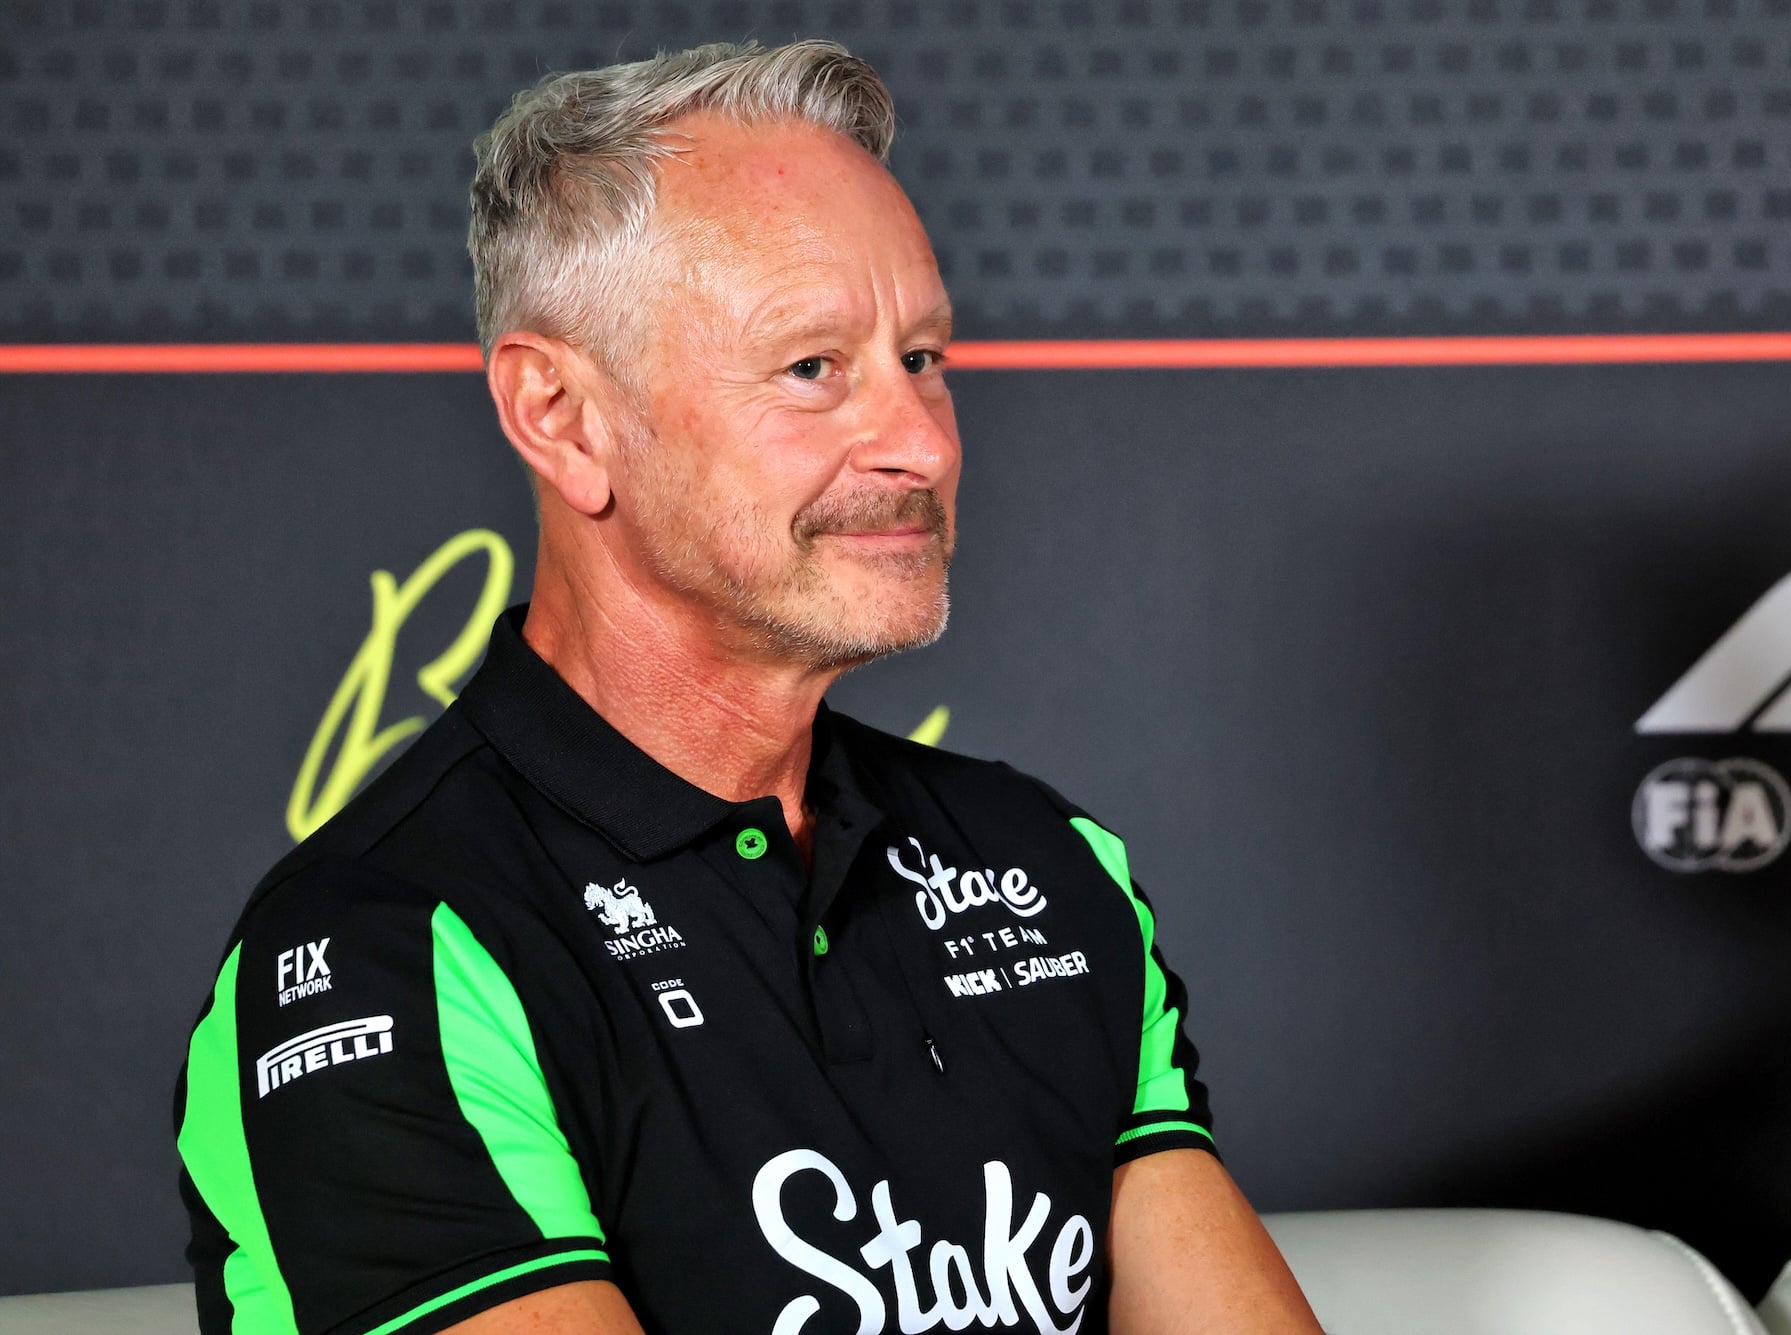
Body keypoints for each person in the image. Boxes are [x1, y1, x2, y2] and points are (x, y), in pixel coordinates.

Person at [175, 39, 1321, 1335]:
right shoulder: (386, 956)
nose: (919, 443)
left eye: (924, 359)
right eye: (811, 368)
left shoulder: (1046, 863)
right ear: (562, 416)